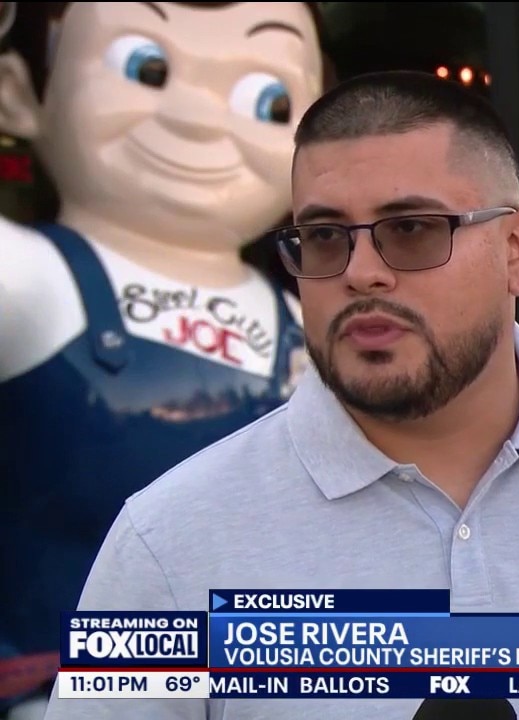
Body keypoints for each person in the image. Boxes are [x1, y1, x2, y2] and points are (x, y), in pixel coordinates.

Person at [41, 70, 519, 720]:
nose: (361, 272)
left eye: (410, 229)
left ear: (516, 251)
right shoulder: (168, 541)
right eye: (325, 237)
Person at [0, 3, 323, 716]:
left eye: (268, 100)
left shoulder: (310, 321)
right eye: (145, 69)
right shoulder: (28, 279)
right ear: (18, 93)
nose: (199, 119)